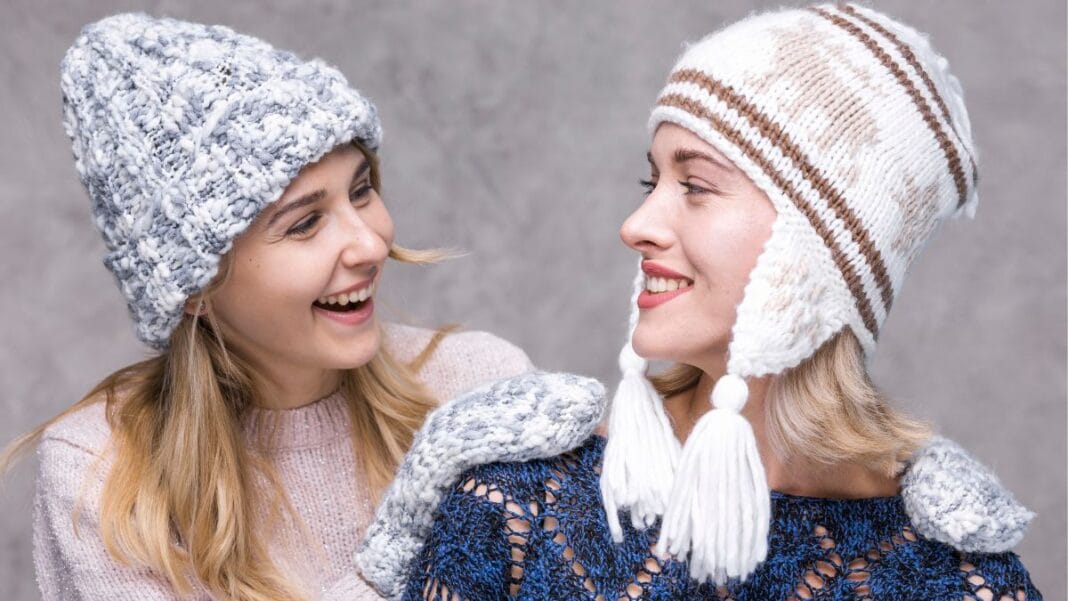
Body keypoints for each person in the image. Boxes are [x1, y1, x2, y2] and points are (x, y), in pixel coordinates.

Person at [356, 4, 1041, 599]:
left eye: (696, 185)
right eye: (651, 180)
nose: (636, 224)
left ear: (817, 254)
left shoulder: (958, 575)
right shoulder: (519, 496)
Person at [0, 14, 537, 600]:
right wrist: (406, 540)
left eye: (362, 191)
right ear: (195, 290)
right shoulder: (104, 475)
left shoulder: (481, 387)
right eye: (306, 223)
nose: (369, 243)